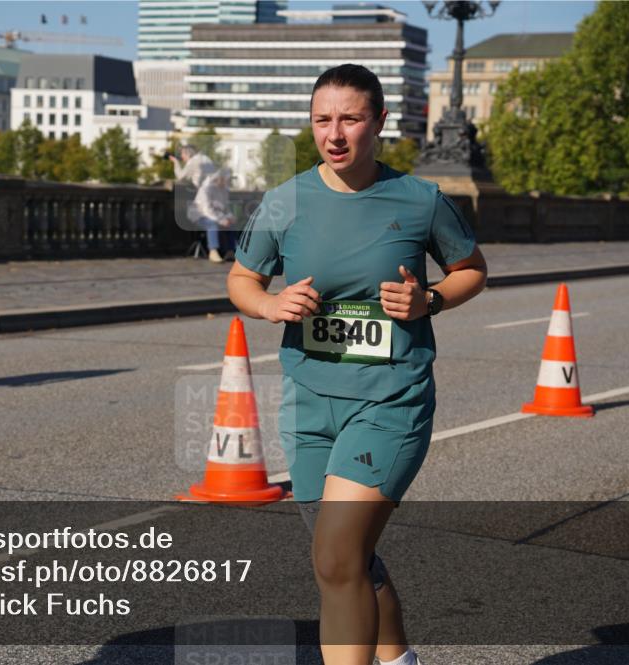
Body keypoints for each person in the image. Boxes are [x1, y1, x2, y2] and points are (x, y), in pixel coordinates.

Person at [226, 64, 487, 665]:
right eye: (322, 120)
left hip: (389, 400)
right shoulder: (284, 200)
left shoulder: (419, 200)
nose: (334, 133)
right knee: (350, 559)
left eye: (350, 118)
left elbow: (472, 268)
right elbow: (241, 279)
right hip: (309, 403)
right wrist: (270, 303)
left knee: (337, 557)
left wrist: (432, 298)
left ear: (380, 123)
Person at [169, 143, 221, 261]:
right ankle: (230, 251)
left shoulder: (193, 161)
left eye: (182, 154)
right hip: (209, 198)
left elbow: (181, 176)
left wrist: (176, 163)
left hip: (200, 202)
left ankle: (214, 251)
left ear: (188, 153)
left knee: (212, 223)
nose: (182, 157)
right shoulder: (206, 159)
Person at [194, 167, 238, 263]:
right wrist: (221, 220)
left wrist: (230, 217)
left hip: (217, 215)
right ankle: (213, 251)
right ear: (220, 178)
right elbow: (207, 210)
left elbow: (225, 208)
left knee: (231, 224)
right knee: (212, 224)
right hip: (201, 216)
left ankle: (230, 251)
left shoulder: (224, 190)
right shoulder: (206, 189)